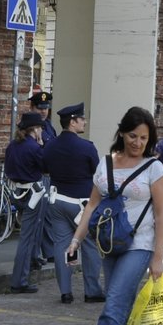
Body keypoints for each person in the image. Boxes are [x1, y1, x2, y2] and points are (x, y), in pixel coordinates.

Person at [68, 107, 163, 325]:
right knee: (120, 306)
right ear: (122, 133)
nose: (137, 142)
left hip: (140, 245)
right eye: (132, 135)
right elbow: (91, 205)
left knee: (112, 306)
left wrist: (158, 256)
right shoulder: (106, 164)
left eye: (143, 137)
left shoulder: (154, 168)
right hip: (110, 244)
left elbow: (162, 215)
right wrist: (76, 240)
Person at [41, 103, 105, 304]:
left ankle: (66, 292)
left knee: (62, 245)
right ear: (73, 122)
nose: (84, 121)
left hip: (57, 200)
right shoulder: (86, 147)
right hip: (81, 205)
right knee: (89, 246)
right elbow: (98, 175)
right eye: (82, 119)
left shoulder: (50, 145)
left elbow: (44, 168)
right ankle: (92, 291)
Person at [5, 112, 49, 293]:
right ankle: (19, 280)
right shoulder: (34, 147)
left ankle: (29, 266)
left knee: (27, 235)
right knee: (27, 237)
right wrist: (41, 145)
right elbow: (46, 168)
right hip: (33, 194)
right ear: (35, 130)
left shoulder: (12, 146)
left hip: (16, 192)